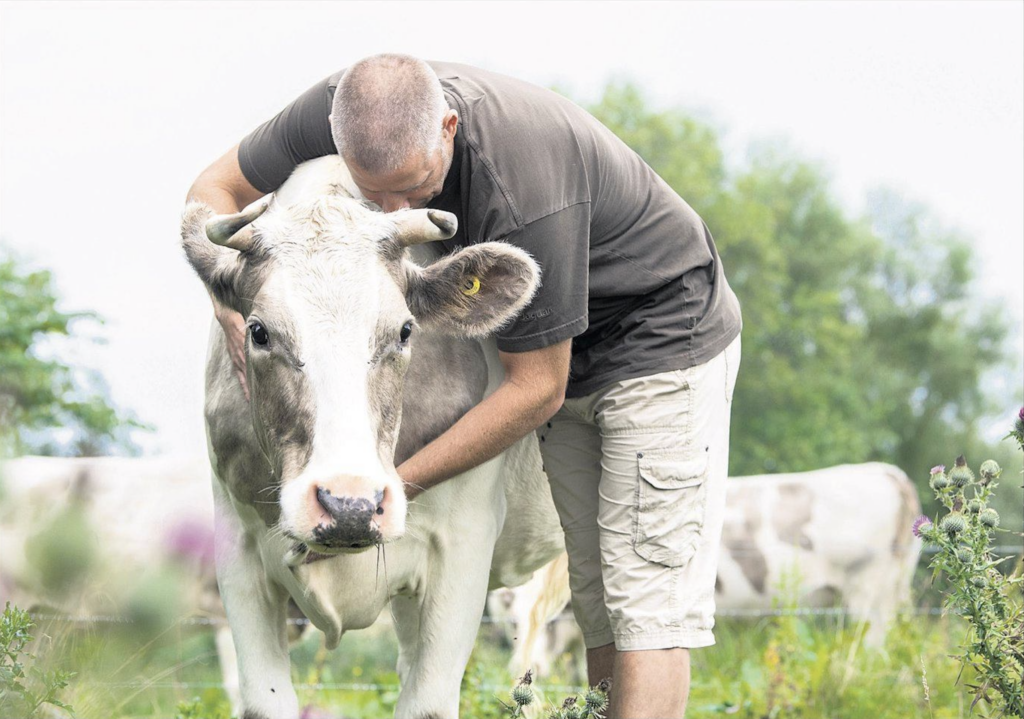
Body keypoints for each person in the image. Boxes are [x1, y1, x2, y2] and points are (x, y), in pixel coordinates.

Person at [187, 53, 741, 719]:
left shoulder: (521, 177)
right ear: (338, 139)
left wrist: (396, 484)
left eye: (416, 186)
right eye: (373, 192)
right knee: (600, 598)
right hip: (547, 330)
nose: (395, 212)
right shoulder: (340, 106)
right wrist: (232, 304)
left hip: (655, 340)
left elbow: (537, 386)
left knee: (647, 602)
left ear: (448, 127)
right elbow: (211, 190)